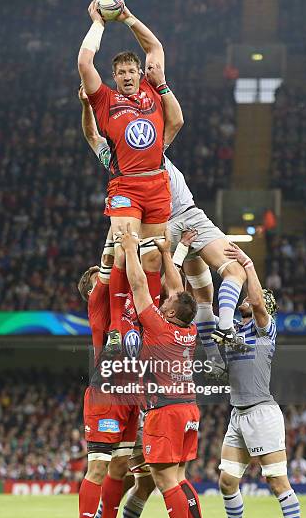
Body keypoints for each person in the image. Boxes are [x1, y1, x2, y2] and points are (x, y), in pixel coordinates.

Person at [78, 84, 248, 370]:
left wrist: (160, 86)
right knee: (180, 294)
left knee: (206, 292)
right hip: (162, 225)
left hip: (186, 214)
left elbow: (174, 120)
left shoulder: (150, 142)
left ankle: (220, 346)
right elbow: (93, 135)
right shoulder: (116, 160)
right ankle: (205, 356)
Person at [78, 0, 183, 355]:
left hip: (157, 183)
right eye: (120, 72)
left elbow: (154, 46)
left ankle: (148, 320)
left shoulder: (153, 90)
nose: (126, 76)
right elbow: (83, 61)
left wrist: (127, 17)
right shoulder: (104, 100)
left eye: (130, 71)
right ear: (114, 77)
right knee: (126, 247)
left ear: (139, 73)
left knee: (151, 258)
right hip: (126, 186)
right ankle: (118, 327)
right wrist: (100, 23)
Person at [120, 225, 212, 518]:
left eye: (167, 303)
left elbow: (140, 285)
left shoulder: (158, 327)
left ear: (170, 313)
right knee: (180, 476)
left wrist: (131, 248)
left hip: (165, 411)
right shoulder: (188, 330)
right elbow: (176, 287)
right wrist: (169, 251)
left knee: (163, 478)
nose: (164, 300)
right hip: (189, 409)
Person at [208, 242, 302, 518]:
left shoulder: (265, 331)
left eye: (249, 296)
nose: (245, 299)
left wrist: (247, 264)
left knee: (277, 483)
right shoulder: (233, 331)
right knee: (227, 481)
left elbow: (259, 302)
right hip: (238, 415)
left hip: (262, 413)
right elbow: (221, 371)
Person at [74, 265, 139, 518]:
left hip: (131, 397)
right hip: (106, 395)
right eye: (97, 279)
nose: (104, 278)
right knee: (98, 468)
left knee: (120, 469)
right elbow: (107, 275)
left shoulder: (126, 306)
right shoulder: (98, 305)